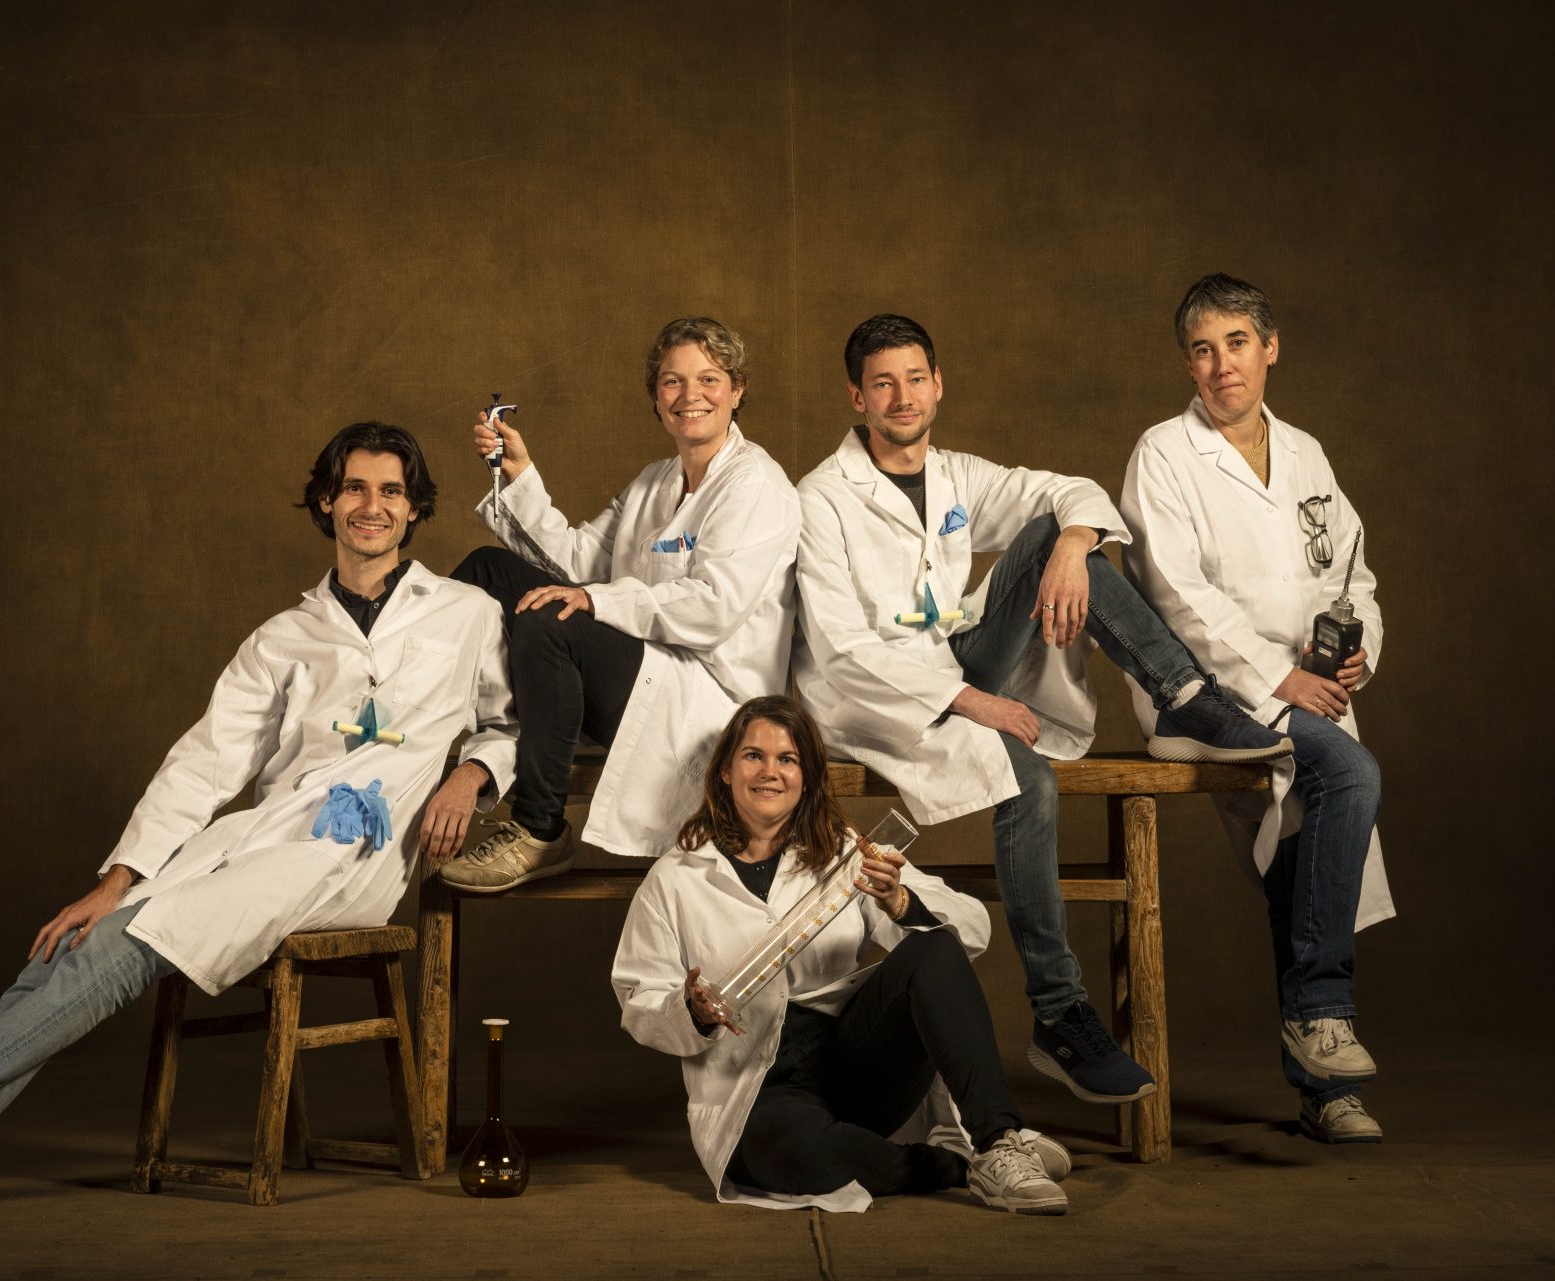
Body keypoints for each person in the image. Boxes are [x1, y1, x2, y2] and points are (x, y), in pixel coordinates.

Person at [0, 422, 518, 1217]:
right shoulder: (282, 637)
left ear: (414, 508)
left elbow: (510, 723)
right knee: (80, 937)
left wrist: (470, 775)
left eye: (392, 491)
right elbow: (205, 761)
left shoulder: (464, 612)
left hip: (355, 855)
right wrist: (116, 880)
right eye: (355, 487)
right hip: (262, 837)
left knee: (139, 939)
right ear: (327, 500)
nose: (373, 506)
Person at [793, 314, 1294, 1109]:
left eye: (916, 377)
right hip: (879, 701)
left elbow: (1070, 491)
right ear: (856, 396)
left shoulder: (956, 475)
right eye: (882, 383)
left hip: (954, 663)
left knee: (1058, 536)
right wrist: (973, 701)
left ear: (939, 384)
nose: (903, 396)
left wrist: (1071, 545)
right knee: (1029, 780)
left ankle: (1185, 695)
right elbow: (839, 647)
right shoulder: (820, 498)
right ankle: (1060, 1012)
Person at [613, 695, 1073, 1215]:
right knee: (796, 1153)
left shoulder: (845, 852)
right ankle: (959, 1166)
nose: (770, 772)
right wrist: (691, 1012)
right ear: (725, 770)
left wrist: (900, 901)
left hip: (855, 1065)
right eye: (753, 755)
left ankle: (998, 1141)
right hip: (756, 1087)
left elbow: (971, 931)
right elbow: (639, 1001)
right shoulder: (675, 877)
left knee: (932, 944)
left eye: (788, 759)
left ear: (807, 776)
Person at [1120, 274, 1394, 1143]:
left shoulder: (1307, 453)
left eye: (1236, 343)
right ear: (1187, 364)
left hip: (1309, 687)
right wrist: (1279, 680)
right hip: (1215, 694)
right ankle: (1323, 1014)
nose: (1221, 365)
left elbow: (1352, 574)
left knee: (1305, 870)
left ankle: (1322, 1087)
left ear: (1270, 347)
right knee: (1347, 777)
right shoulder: (1165, 452)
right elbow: (1176, 595)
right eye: (1202, 350)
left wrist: (1356, 649)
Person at [440, 317, 801, 890]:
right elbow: (576, 560)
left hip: (709, 700)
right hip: (644, 669)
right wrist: (520, 474)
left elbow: (713, 608)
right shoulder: (655, 482)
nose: (690, 395)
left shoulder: (755, 484)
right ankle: (430, 720)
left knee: (551, 616)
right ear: (656, 398)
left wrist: (593, 600)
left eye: (709, 379)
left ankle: (539, 828)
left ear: (737, 390)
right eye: (672, 381)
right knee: (487, 570)